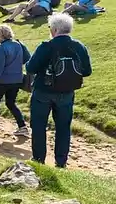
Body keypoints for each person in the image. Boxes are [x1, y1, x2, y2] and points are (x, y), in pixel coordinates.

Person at [26, 13, 92, 168]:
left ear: (54, 29)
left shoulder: (46, 46)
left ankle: (39, 160)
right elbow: (87, 71)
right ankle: (61, 162)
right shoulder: (79, 46)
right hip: (67, 92)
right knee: (63, 127)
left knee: (38, 125)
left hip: (43, 91)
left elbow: (30, 68)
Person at [0, 24, 31, 137]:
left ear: (0, 35)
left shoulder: (1, 48)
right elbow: (27, 58)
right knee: (11, 103)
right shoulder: (18, 44)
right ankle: (22, 127)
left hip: (1, 81)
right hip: (16, 80)